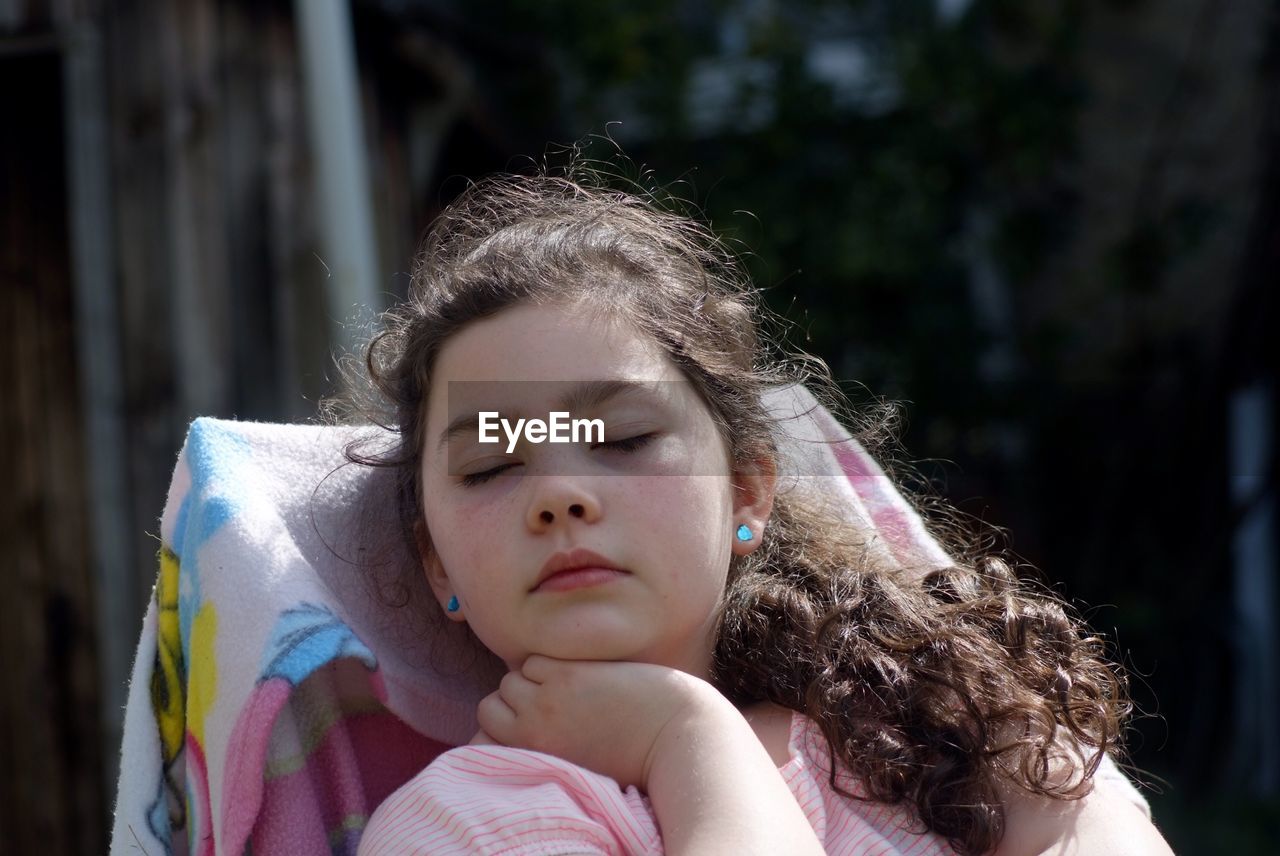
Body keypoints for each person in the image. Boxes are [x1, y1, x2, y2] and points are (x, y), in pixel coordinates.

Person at [347, 160, 1174, 855]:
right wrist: (684, 734)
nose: (560, 496)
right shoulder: (458, 823)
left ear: (745, 491)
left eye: (624, 438)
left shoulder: (926, 716)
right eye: (492, 464)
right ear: (437, 564)